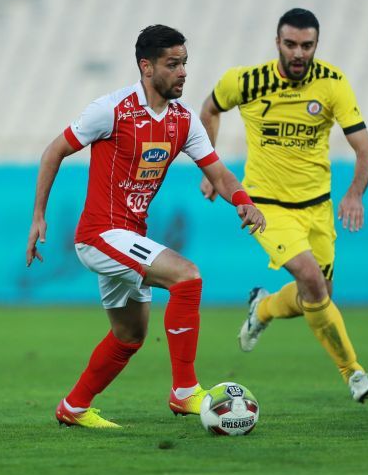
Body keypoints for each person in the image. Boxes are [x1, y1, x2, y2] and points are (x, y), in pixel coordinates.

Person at [26, 25, 266, 428]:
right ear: (146, 66)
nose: (183, 72)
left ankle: (73, 407)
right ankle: (185, 391)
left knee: (129, 336)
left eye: (185, 63)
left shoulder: (183, 121)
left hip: (129, 236)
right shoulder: (112, 109)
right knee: (187, 276)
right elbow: (54, 151)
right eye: (173, 64)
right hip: (100, 234)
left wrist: (243, 201)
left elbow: (219, 173)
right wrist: (38, 216)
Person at [199, 8, 368, 403]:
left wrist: (354, 193)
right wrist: (211, 169)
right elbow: (209, 109)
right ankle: (354, 373)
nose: (299, 53)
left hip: (317, 207)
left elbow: (365, 149)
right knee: (311, 280)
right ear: (277, 43)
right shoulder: (244, 81)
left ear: (316, 45)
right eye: (291, 44)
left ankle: (263, 308)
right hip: (265, 205)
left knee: (318, 295)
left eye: (307, 45)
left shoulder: (332, 83)